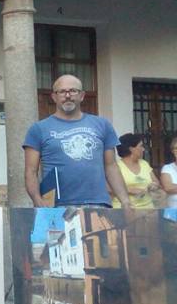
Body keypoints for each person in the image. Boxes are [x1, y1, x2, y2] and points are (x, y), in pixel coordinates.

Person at [24, 74, 130, 208]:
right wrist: (38, 201)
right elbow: (30, 171)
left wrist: (125, 201)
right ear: (54, 97)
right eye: (62, 91)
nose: (68, 95)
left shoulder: (102, 125)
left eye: (73, 91)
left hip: (97, 203)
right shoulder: (38, 129)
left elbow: (111, 166)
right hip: (56, 206)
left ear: (82, 96)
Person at [111, 133, 161, 209]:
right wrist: (130, 190)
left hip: (148, 209)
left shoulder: (144, 164)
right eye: (141, 146)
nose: (143, 149)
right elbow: (109, 189)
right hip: (126, 211)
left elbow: (156, 182)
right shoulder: (116, 167)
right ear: (131, 149)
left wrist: (153, 185)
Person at [161, 137, 177, 208]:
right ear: (172, 151)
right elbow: (168, 188)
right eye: (176, 148)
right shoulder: (167, 168)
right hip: (173, 213)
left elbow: (172, 187)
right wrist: (171, 187)